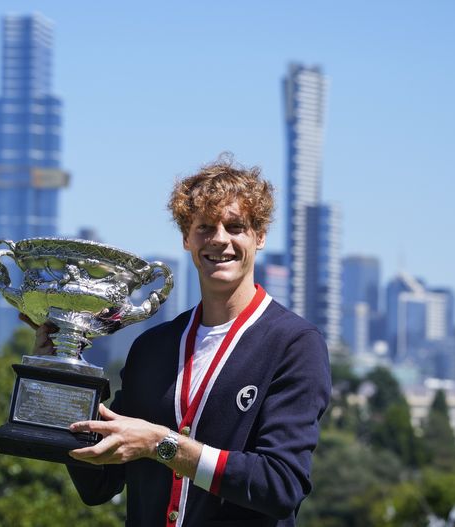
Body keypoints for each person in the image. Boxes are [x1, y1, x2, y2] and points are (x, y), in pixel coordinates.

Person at [30, 157, 331, 526]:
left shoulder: (294, 344)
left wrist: (163, 445)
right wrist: (60, 377)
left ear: (260, 235)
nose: (219, 239)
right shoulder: (153, 347)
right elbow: (99, 484)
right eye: (204, 227)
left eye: (235, 226)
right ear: (186, 238)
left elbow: (280, 485)